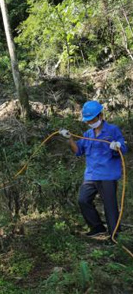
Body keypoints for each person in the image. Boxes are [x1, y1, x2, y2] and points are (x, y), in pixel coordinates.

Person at [59, 101, 127, 238]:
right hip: (91, 175)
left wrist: (117, 145)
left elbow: (124, 148)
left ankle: (115, 236)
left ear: (100, 116)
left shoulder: (112, 130)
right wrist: (70, 139)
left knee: (110, 206)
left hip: (107, 175)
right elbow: (78, 151)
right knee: (83, 200)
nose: (90, 122)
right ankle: (97, 227)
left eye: (92, 120)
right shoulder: (87, 134)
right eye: (88, 121)